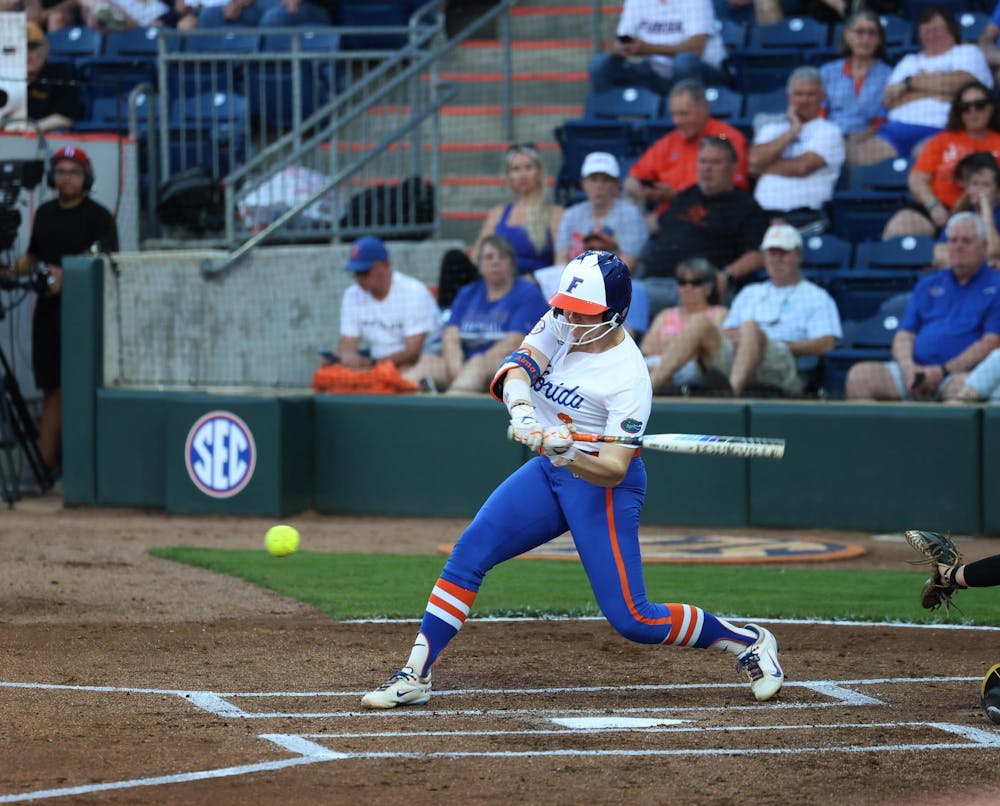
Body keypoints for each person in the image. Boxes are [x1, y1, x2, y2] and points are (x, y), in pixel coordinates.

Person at [359, 250, 785, 710]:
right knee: (469, 553)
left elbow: (615, 467)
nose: (570, 320)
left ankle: (748, 641)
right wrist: (524, 413)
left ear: (614, 313)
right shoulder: (560, 321)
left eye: (583, 313)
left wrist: (570, 452)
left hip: (601, 486)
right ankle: (416, 673)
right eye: (566, 309)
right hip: (550, 471)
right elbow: (518, 369)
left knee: (634, 619)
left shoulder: (628, 377)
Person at [3, 146, 117, 477]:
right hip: (48, 315)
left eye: (73, 172)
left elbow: (107, 260)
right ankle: (48, 464)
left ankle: (54, 463)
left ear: (86, 178)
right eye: (61, 172)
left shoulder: (99, 217)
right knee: (51, 385)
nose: (66, 178)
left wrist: (68, 273)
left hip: (84, 314)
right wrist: (10, 271)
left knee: (74, 385)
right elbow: (33, 257)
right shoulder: (45, 213)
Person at [643, 224, 841, 397]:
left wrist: (774, 342)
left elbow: (827, 343)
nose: (776, 259)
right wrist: (744, 338)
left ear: (798, 255)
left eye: (783, 253)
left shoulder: (816, 296)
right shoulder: (750, 292)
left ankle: (732, 397)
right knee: (699, 323)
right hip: (736, 356)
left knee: (750, 327)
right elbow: (726, 332)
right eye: (771, 253)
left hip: (782, 362)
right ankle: (647, 391)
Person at [845, 212, 1000, 402]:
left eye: (966, 241)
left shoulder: (996, 285)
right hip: (915, 372)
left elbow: (991, 342)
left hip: (959, 373)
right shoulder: (928, 284)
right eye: (953, 240)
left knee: (963, 390)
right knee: (860, 377)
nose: (958, 247)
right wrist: (908, 368)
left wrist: (942, 371)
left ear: (984, 246)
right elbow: (904, 335)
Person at [403, 236, 548, 395]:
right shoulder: (468, 293)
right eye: (489, 257)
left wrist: (474, 365)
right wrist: (458, 370)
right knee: (428, 363)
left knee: (478, 365)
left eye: (502, 257)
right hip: (464, 366)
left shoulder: (528, 293)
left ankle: (449, 407)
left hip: (511, 365)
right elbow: (450, 336)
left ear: (512, 264)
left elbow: (515, 341)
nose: (495, 262)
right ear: (479, 265)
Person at [850, 6, 994, 166]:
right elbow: (890, 99)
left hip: (941, 128)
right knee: (857, 158)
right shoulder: (909, 61)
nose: (931, 36)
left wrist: (909, 84)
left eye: (937, 30)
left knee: (925, 162)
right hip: (896, 130)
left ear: (952, 30)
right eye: (926, 32)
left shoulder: (967, 52)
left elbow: (964, 85)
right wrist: (943, 90)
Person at [637, 136, 769, 301]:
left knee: (622, 297)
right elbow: (656, 225)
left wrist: (726, 275)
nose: (707, 168)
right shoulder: (686, 196)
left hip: (694, 288)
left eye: (716, 162)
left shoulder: (746, 206)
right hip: (652, 278)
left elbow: (758, 255)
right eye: (703, 161)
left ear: (733, 167)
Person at [882, 82, 1000, 240]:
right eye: (965, 107)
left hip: (988, 211)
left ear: (991, 107)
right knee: (900, 225)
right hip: (939, 210)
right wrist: (933, 206)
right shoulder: (942, 140)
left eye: (979, 105)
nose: (972, 111)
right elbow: (917, 179)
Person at [625, 80, 749, 225]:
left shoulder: (726, 137)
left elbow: (732, 189)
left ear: (704, 108)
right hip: (668, 216)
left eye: (684, 114)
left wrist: (676, 195)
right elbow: (634, 177)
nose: (677, 121)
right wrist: (640, 190)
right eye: (673, 114)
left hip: (712, 216)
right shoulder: (669, 141)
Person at [749, 66, 845, 233]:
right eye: (798, 94)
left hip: (804, 216)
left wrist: (764, 166)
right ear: (789, 97)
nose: (804, 100)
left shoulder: (830, 131)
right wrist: (792, 130)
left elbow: (802, 167)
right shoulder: (771, 129)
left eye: (810, 94)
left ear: (822, 97)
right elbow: (753, 161)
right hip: (762, 214)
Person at [331, 236, 440, 372]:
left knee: (402, 372)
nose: (359, 279)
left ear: (385, 265)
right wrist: (346, 359)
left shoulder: (414, 292)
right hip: (377, 363)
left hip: (422, 362)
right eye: (356, 273)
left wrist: (370, 364)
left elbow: (412, 353)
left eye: (364, 272)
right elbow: (347, 344)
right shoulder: (352, 295)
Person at [588, 0, 728, 96]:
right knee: (600, 64)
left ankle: (686, 118)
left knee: (684, 62)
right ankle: (604, 125)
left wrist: (647, 49)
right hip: (655, 71)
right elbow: (621, 39)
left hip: (703, 72)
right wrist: (622, 48)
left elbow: (696, 49)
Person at [471, 144, 563, 276]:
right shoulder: (497, 213)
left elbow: (561, 262)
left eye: (528, 167)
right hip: (498, 280)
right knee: (454, 259)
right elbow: (477, 257)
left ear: (539, 173)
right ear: (509, 176)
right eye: (516, 169)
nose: (522, 175)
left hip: (535, 282)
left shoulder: (555, 214)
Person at [641, 258, 728, 393]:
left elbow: (712, 352)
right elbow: (646, 348)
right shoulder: (666, 314)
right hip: (656, 364)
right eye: (682, 282)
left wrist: (670, 343)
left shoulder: (719, 313)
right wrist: (685, 345)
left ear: (708, 288)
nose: (688, 288)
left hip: (692, 368)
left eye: (696, 283)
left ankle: (647, 391)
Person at [819, 10, 893, 162]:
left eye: (872, 33)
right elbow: (819, 114)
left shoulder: (889, 75)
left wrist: (856, 139)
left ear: (879, 39)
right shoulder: (827, 72)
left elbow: (882, 121)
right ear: (847, 35)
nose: (865, 39)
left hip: (869, 140)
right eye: (859, 32)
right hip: (827, 137)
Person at [555, 152, 648, 270]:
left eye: (605, 180)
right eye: (593, 180)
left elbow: (627, 263)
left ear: (616, 184)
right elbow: (561, 260)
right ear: (583, 184)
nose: (599, 186)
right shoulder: (571, 215)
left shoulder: (630, 214)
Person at [2, 23, 79, 134]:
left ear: (46, 48)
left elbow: (65, 118)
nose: (26, 55)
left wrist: (33, 127)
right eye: (20, 49)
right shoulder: (5, 76)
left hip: (45, 136)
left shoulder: (60, 74)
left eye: (32, 48)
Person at [931, 154, 1000, 269]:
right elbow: (939, 254)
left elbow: (993, 250)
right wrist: (974, 265)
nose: (979, 190)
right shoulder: (961, 217)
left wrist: (986, 209)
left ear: (997, 191)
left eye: (986, 185)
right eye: (974, 184)